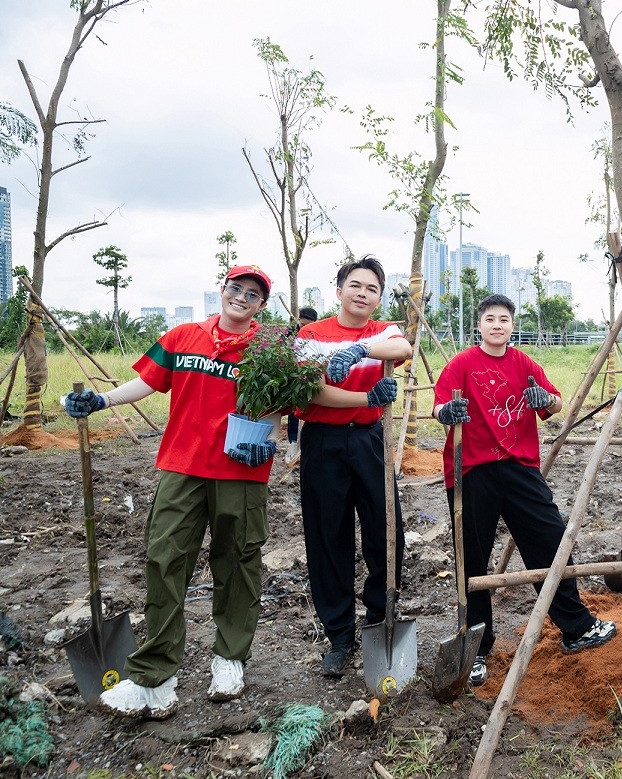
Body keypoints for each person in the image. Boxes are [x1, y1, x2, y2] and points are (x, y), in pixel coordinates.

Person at [64, 266, 279, 718]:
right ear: (223, 290)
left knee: (238, 560)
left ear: (261, 304)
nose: (242, 298)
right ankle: (156, 676)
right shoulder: (184, 337)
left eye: (253, 294)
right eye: (236, 288)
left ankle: (230, 658)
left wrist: (270, 435)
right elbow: (149, 380)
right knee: (164, 559)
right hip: (183, 466)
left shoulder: (269, 349)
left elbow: (286, 401)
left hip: (241, 468)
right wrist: (102, 400)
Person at [433, 294, 617, 687]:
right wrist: (445, 412)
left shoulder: (523, 363)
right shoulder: (461, 364)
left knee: (549, 539)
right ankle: (475, 647)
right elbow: (439, 406)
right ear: (479, 325)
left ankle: (576, 627)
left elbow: (554, 402)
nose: (497, 325)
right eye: (490, 319)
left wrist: (544, 399)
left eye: (504, 319)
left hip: (519, 467)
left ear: (512, 325)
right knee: (471, 557)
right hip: (472, 470)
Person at [295, 256, 408, 677]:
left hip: (369, 440)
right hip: (323, 442)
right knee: (328, 535)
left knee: (386, 528)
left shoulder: (382, 331)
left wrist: (360, 348)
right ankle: (340, 635)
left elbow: (402, 348)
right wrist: (367, 398)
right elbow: (314, 392)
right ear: (339, 290)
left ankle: (378, 616)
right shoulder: (311, 335)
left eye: (372, 289)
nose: (363, 293)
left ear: (379, 298)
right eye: (355, 285)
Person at [284, 306, 318, 465]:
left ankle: (306, 444)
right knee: (294, 409)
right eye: (302, 325)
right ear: (298, 320)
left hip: (310, 377)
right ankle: (293, 443)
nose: (305, 328)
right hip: (292, 376)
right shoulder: (290, 333)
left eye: (308, 325)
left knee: (309, 409)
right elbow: (280, 347)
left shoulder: (317, 334)